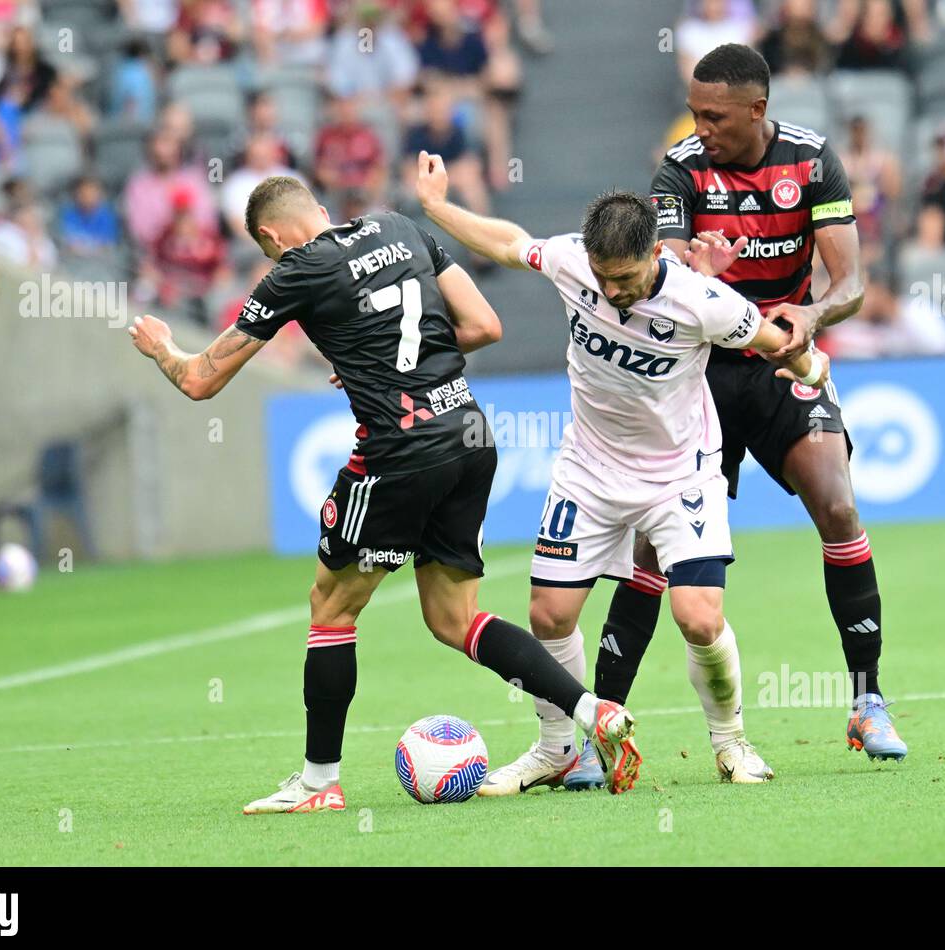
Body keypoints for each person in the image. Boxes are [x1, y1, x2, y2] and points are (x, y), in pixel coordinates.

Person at [127, 174, 644, 812]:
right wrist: (397, 365)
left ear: (270, 237)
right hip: (469, 431)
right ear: (319, 207)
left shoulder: (296, 269)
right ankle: (591, 711)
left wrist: (161, 349)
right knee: (454, 621)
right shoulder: (399, 227)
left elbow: (202, 380)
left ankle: (319, 783)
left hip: (400, 452)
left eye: (268, 251)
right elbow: (484, 324)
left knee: (332, 606)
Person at [416, 150, 829, 793]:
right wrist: (440, 208)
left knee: (698, 617)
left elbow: (775, 341)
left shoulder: (704, 301)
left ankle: (731, 743)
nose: (613, 292)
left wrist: (814, 371)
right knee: (548, 615)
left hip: (680, 477)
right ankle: (557, 750)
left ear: (656, 254)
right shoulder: (573, 262)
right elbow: (510, 243)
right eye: (604, 278)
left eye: (626, 278)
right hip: (588, 470)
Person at [590, 43, 906, 783]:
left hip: (780, 365)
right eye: (696, 112)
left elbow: (851, 280)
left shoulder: (812, 159)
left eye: (715, 116)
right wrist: (699, 274)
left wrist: (813, 313)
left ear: (757, 110)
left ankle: (867, 700)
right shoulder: (681, 167)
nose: (701, 127)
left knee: (839, 508)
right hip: (699, 377)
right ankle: (599, 724)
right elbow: (660, 272)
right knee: (649, 554)